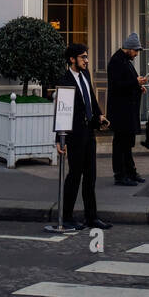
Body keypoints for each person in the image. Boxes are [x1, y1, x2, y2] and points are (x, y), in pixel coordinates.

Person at [55, 43, 112, 232]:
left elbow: (92, 101)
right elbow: (62, 111)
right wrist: (59, 139)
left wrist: (99, 117)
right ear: (72, 59)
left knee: (91, 176)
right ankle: (68, 216)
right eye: (83, 57)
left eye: (87, 57)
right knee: (74, 176)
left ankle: (91, 217)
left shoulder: (86, 75)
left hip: (89, 132)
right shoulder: (65, 80)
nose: (86, 60)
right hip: (75, 134)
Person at [106, 33, 148, 186]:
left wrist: (138, 85)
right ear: (129, 48)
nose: (136, 54)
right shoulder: (117, 61)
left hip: (125, 110)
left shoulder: (124, 60)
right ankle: (120, 175)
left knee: (125, 144)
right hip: (121, 111)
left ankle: (130, 172)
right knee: (120, 144)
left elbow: (126, 83)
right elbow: (118, 85)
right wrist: (135, 82)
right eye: (136, 50)